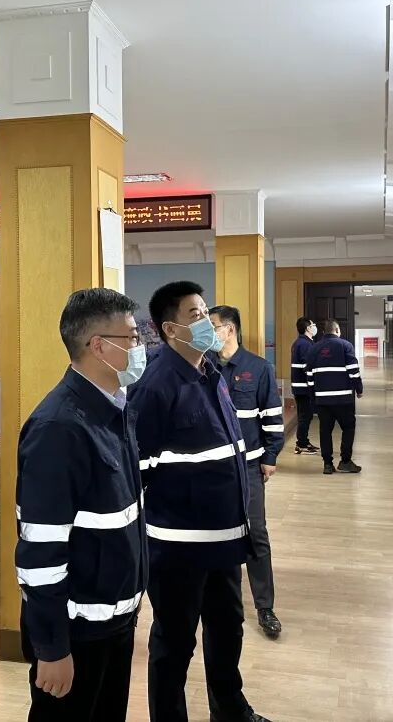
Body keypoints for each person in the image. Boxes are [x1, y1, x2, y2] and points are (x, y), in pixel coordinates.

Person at [129, 281, 270, 722]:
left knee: (227, 629)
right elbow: (139, 468)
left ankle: (230, 709)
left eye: (206, 312)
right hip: (178, 547)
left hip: (224, 539)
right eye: (195, 315)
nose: (208, 321)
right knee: (174, 643)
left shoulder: (211, 372)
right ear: (170, 329)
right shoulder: (156, 384)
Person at [16, 289, 148, 722]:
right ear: (99, 346)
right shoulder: (59, 428)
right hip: (77, 633)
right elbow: (40, 551)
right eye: (133, 337)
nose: (140, 346)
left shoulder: (114, 409)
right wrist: (52, 648)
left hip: (114, 619)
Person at [209, 306, 284, 639]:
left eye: (211, 326)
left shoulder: (258, 368)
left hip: (249, 466)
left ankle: (265, 607)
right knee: (216, 535)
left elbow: (272, 416)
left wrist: (271, 455)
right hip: (213, 468)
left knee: (255, 534)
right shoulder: (204, 366)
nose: (207, 332)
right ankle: (221, 602)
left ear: (230, 329)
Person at [305, 320, 363, 475]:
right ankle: (345, 461)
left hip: (322, 399)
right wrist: (359, 389)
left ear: (324, 332)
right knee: (348, 428)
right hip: (343, 399)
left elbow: (309, 376)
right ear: (337, 330)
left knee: (325, 431)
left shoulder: (314, 348)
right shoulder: (345, 346)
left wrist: (313, 397)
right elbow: (353, 370)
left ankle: (327, 464)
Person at [289, 318, 319, 455]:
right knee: (305, 416)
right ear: (308, 328)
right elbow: (308, 367)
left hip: (300, 387)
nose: (315, 327)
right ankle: (301, 444)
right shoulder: (305, 344)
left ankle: (304, 442)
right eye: (313, 325)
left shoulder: (302, 343)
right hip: (304, 387)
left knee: (305, 415)